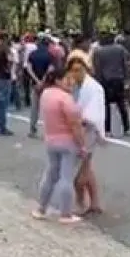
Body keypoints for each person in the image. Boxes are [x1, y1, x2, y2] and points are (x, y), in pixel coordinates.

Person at [31, 69, 86, 225]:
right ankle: (65, 213)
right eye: (67, 79)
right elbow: (75, 124)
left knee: (50, 174)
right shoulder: (65, 98)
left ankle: (41, 208)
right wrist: (82, 145)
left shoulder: (46, 94)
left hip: (51, 139)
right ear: (58, 80)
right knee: (66, 177)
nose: (71, 82)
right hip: (67, 141)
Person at [65, 54, 105, 216]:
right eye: (73, 70)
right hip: (77, 130)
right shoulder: (73, 86)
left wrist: (81, 119)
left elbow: (94, 113)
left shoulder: (93, 88)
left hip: (89, 130)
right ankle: (95, 203)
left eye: (79, 70)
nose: (76, 73)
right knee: (87, 168)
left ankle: (80, 202)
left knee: (80, 173)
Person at [91, 33, 130, 137]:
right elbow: (125, 64)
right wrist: (126, 78)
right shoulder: (120, 49)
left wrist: (97, 81)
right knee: (121, 103)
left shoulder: (98, 51)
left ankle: (107, 129)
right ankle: (126, 128)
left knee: (106, 105)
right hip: (118, 78)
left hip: (105, 79)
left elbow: (97, 68)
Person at [26, 34, 54, 138]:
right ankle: (48, 131)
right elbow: (50, 69)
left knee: (34, 108)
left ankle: (32, 130)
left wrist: (36, 81)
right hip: (46, 85)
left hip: (34, 85)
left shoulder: (32, 54)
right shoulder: (50, 55)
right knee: (47, 109)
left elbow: (29, 69)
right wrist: (43, 81)